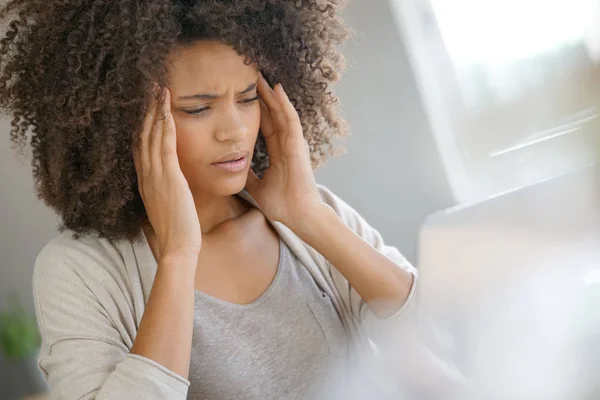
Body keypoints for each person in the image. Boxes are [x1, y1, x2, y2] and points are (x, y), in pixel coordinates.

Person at [0, 1, 417, 398]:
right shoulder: (80, 271)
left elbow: (433, 332)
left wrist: (309, 216)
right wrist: (178, 255)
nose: (234, 131)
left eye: (248, 97)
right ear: (121, 120)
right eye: (198, 109)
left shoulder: (309, 215)